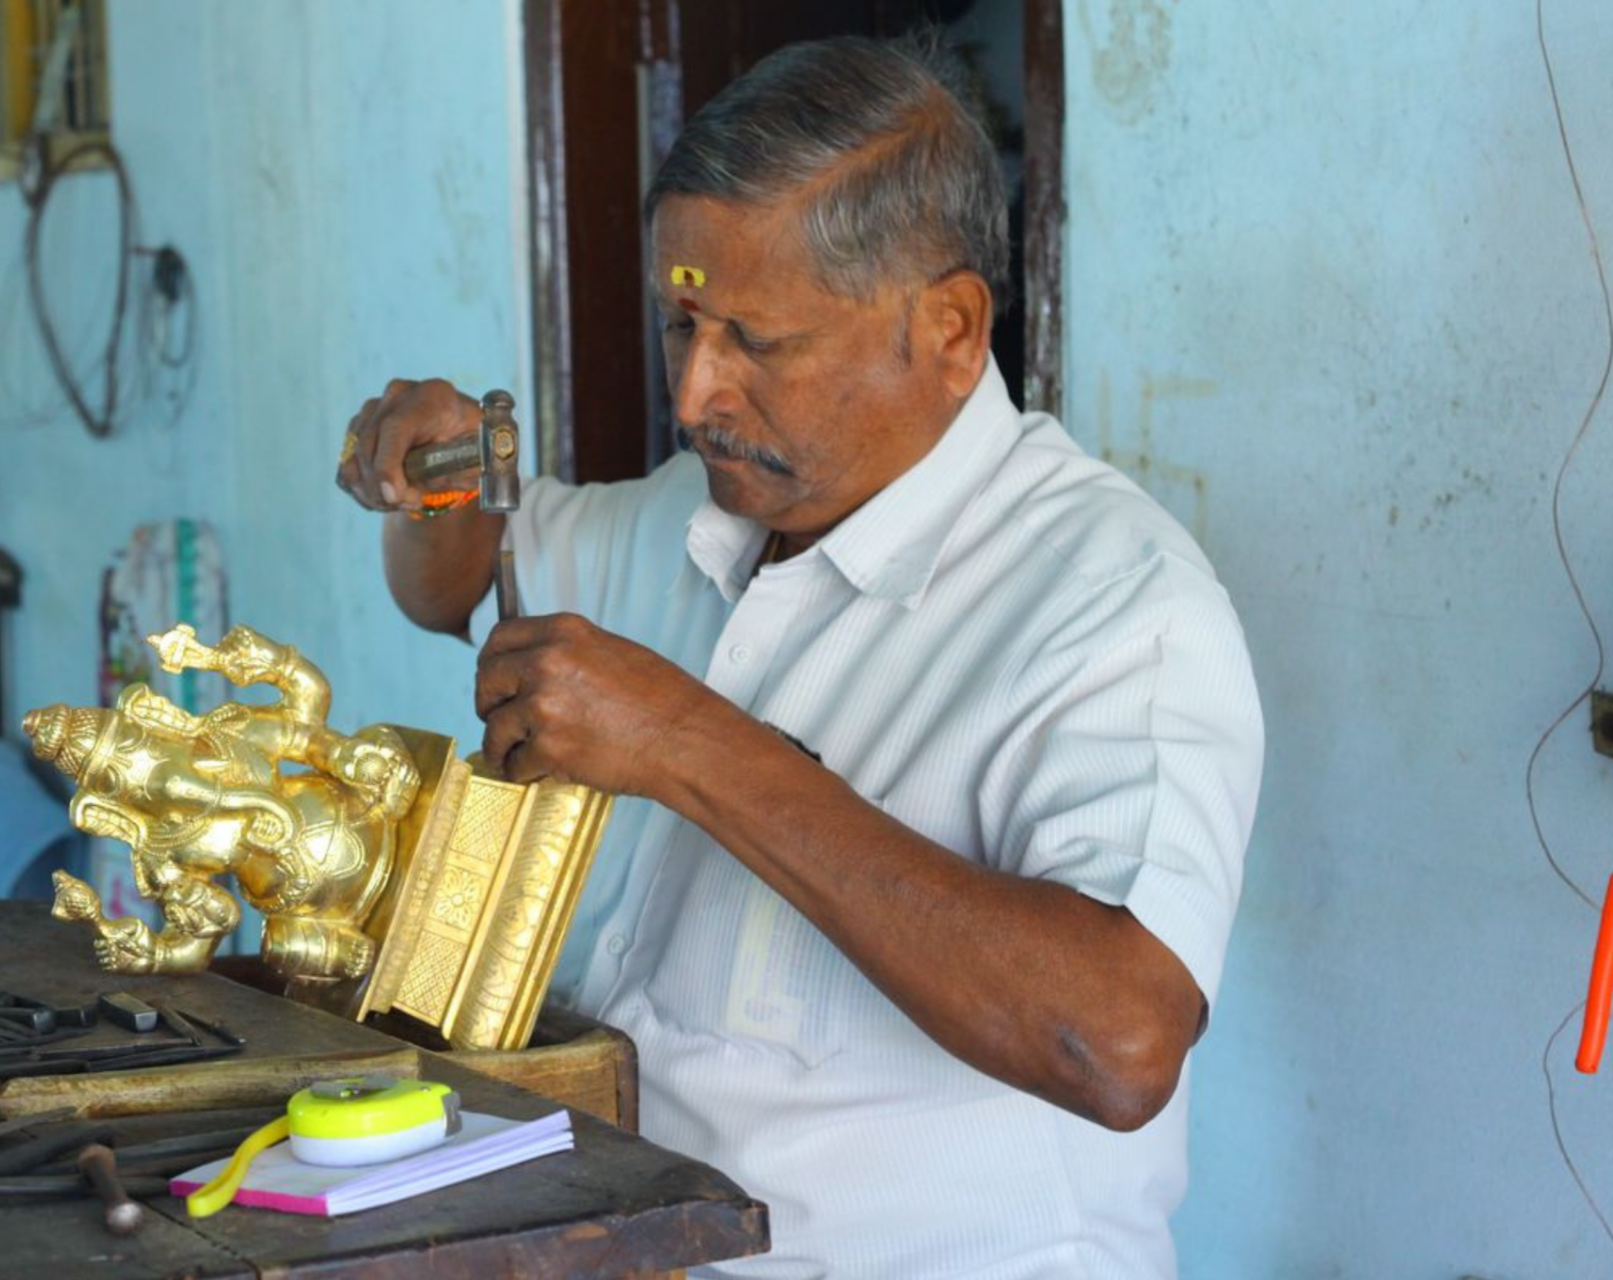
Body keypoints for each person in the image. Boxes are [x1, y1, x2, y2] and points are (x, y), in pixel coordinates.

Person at [336, 35, 1262, 1280]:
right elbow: (455, 588)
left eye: (759, 342)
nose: (696, 394)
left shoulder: (1111, 602)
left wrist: (686, 743)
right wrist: (431, 486)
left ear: (947, 328)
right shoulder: (697, 510)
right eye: (682, 323)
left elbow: (1120, 1042)